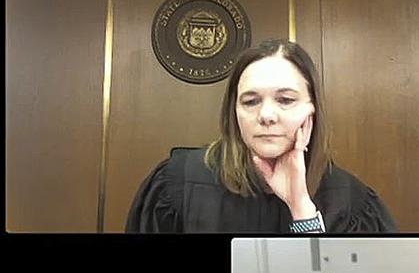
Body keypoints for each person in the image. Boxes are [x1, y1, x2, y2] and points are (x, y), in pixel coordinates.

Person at [126, 39, 396, 233]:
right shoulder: (177, 184)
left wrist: (302, 208)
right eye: (251, 101)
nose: (266, 115)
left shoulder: (353, 202)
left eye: (286, 99)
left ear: (312, 109)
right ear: (235, 112)